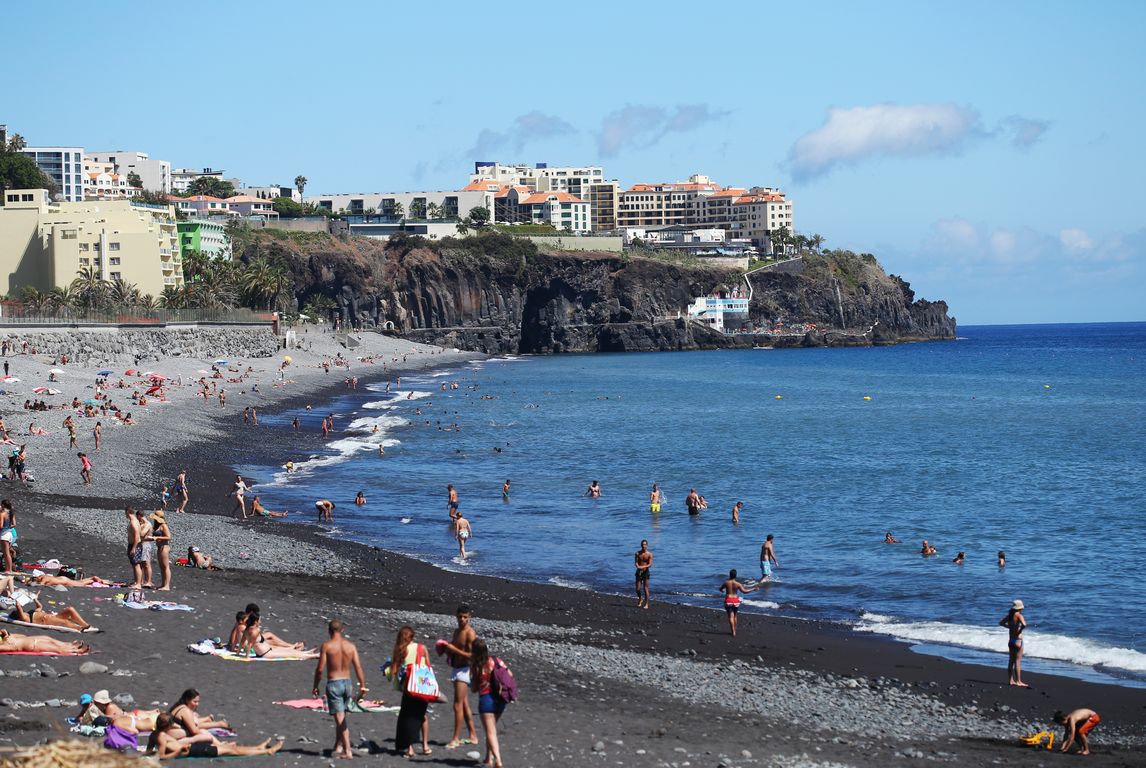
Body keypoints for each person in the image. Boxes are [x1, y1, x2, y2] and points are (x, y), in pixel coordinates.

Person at [313, 619, 367, 760]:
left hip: (334, 683)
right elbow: (358, 667)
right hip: (348, 683)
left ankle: (347, 750)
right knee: (341, 716)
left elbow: (320, 669)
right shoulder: (351, 646)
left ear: (329, 631)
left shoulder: (327, 646)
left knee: (340, 718)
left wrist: (315, 686)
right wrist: (363, 685)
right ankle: (337, 745)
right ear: (342, 630)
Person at [147, 712, 283, 759]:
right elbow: (162, 756)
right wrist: (178, 751)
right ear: (167, 726)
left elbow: (149, 751)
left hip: (193, 748)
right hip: (194, 751)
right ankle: (266, 750)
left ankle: (259, 748)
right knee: (233, 751)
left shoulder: (155, 734)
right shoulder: (161, 737)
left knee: (232, 750)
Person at [387, 626, 433, 757]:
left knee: (408, 717)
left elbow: (394, 672)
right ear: (413, 636)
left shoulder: (400, 650)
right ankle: (425, 746)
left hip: (409, 688)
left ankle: (410, 749)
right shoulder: (421, 648)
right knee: (422, 716)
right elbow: (428, 667)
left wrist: (388, 671)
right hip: (422, 687)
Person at [438, 605, 478, 749]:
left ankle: (455, 738)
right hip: (456, 668)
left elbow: (473, 656)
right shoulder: (457, 631)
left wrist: (453, 649)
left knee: (457, 705)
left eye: (465, 617)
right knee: (464, 703)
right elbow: (455, 650)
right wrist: (445, 650)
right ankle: (473, 735)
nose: (462, 620)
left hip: (465, 670)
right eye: (460, 617)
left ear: (469, 617)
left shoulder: (470, 633)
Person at [470, 638, 509, 768]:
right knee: (491, 729)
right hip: (500, 699)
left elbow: (475, 688)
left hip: (486, 699)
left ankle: (498, 760)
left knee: (490, 732)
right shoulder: (497, 661)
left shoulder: (476, 667)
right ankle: (488, 758)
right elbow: (510, 674)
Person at [238, 612, 318, 659]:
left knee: (291, 651)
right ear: (255, 621)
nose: (260, 621)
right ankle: (315, 655)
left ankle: (308, 652)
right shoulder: (255, 630)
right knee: (292, 654)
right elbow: (250, 644)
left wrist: (238, 653)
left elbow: (242, 642)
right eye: (259, 620)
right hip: (266, 654)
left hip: (268, 651)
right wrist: (246, 657)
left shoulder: (247, 629)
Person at [999, 599, 1029, 687]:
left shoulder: (1010, 616)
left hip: (1011, 640)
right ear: (1020, 608)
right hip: (1018, 640)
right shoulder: (1019, 615)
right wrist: (1019, 630)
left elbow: (1000, 623)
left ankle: (1010, 680)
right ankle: (1019, 681)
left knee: (1011, 661)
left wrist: (1009, 627)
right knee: (1018, 661)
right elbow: (1024, 624)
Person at [719, 569, 756, 637]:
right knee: (735, 616)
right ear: (736, 576)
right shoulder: (738, 584)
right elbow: (744, 591)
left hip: (728, 600)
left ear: (729, 575)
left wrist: (723, 590)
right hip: (736, 600)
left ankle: (733, 631)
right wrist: (753, 589)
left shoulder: (726, 583)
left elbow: (720, 589)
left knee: (730, 616)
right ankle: (735, 630)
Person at [0, 628, 89, 655]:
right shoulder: (3, 645)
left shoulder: (3, 637)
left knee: (48, 638)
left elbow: (22, 636)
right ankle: (76, 651)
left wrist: (7, 633)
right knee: (57, 649)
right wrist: (7, 640)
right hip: (31, 645)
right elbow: (12, 648)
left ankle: (70, 645)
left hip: (29, 639)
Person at [152, 510, 172, 591]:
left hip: (164, 547)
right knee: (162, 567)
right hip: (159, 547)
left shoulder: (164, 526)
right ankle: (163, 584)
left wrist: (157, 538)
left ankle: (167, 586)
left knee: (166, 567)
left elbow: (169, 537)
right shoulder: (157, 526)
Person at [135, 508, 155, 588]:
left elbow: (142, 534)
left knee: (147, 564)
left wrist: (136, 530)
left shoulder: (147, 524)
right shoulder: (142, 523)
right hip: (142, 544)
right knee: (142, 564)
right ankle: (142, 581)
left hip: (146, 545)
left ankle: (149, 581)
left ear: (139, 516)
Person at [126, 507, 144, 589]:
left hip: (135, 545)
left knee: (136, 565)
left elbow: (137, 536)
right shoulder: (134, 521)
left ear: (127, 512)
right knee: (134, 564)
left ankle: (138, 584)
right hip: (133, 544)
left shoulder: (133, 522)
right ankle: (136, 582)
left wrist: (133, 548)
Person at [635, 539, 653, 609]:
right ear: (641, 545)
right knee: (637, 589)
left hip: (646, 572)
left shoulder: (650, 554)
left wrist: (643, 566)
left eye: (645, 545)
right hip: (638, 572)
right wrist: (637, 565)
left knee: (646, 588)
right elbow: (636, 562)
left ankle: (646, 604)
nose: (643, 546)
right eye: (642, 545)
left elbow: (650, 564)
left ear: (647, 545)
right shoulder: (637, 553)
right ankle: (640, 599)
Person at [0, 499, 15, 574]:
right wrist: (7, 527)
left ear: (3, 505)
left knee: (6, 553)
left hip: (4, 535)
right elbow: (13, 524)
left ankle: (8, 570)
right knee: (7, 553)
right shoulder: (11, 513)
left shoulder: (2, 514)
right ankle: (9, 569)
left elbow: (0, 525)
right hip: (9, 534)